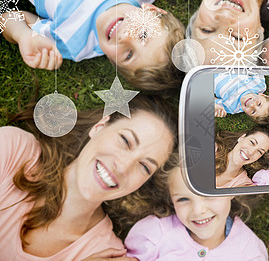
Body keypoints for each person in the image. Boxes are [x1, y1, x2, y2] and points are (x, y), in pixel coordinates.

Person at [0, 94, 177, 260]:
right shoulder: (14, 153)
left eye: (145, 166)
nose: (123, 167)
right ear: (99, 127)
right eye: (125, 141)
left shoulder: (106, 254)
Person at [0, 0, 185, 91]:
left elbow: (9, 18)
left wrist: (23, 35)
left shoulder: (71, 43)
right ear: (154, 11)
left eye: (128, 55)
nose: (124, 38)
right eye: (143, 35)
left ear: (114, 63)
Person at [125, 165, 268, 260]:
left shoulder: (250, 252)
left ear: (232, 189)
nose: (198, 211)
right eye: (183, 199)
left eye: (209, 194)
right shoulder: (154, 235)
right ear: (171, 199)